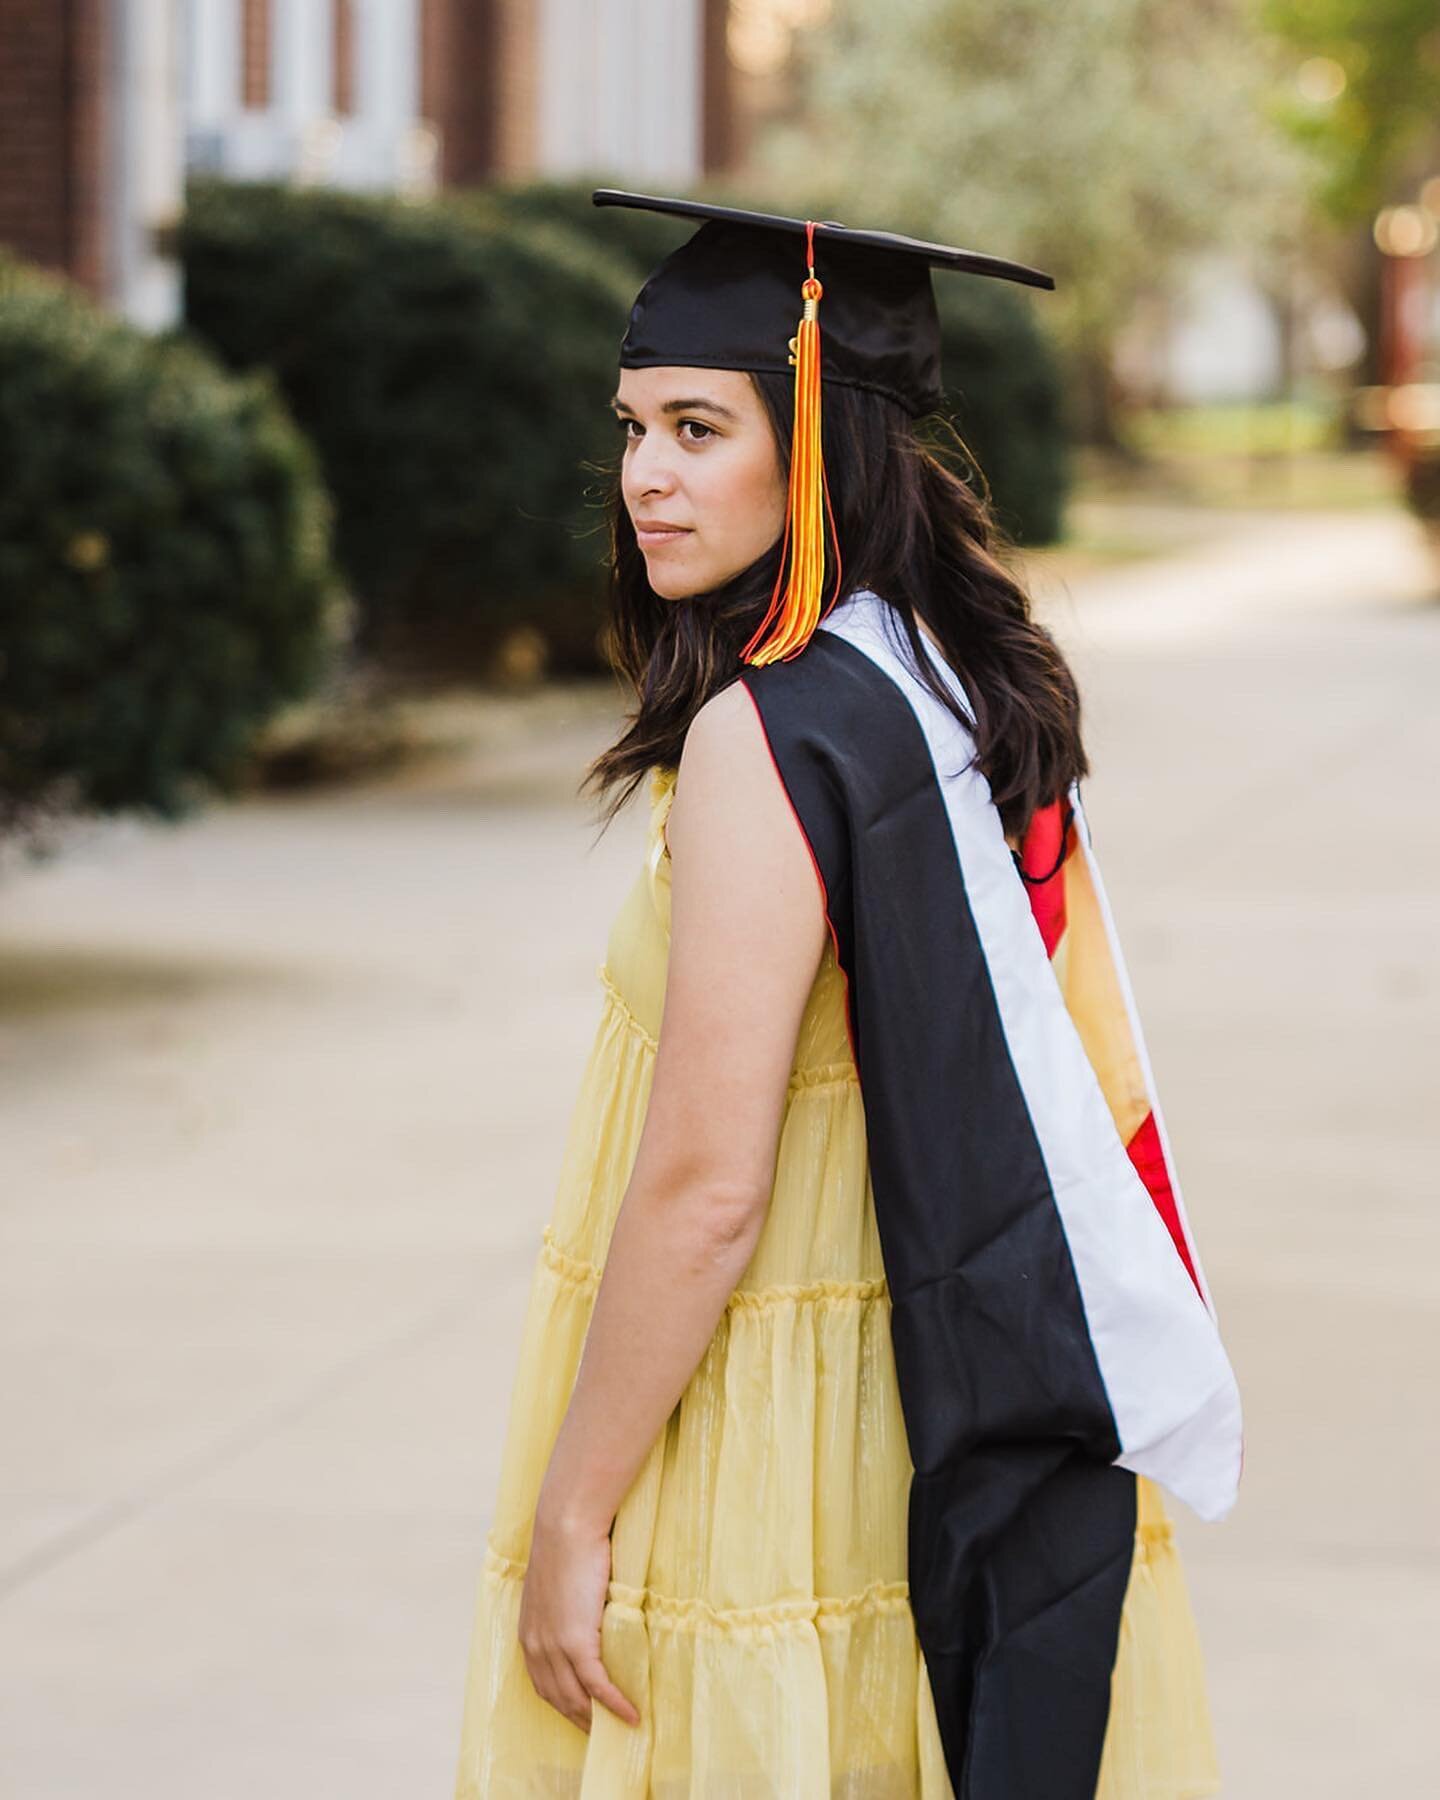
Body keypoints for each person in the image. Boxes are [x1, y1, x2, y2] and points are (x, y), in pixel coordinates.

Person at [452, 192, 1242, 1799]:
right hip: (910, 1392)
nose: (645, 477)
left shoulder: (771, 736)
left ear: (815, 447)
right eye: (630, 428)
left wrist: (575, 1505)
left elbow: (702, 1189)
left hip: (765, 1421)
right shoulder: (941, 676)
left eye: (697, 427)